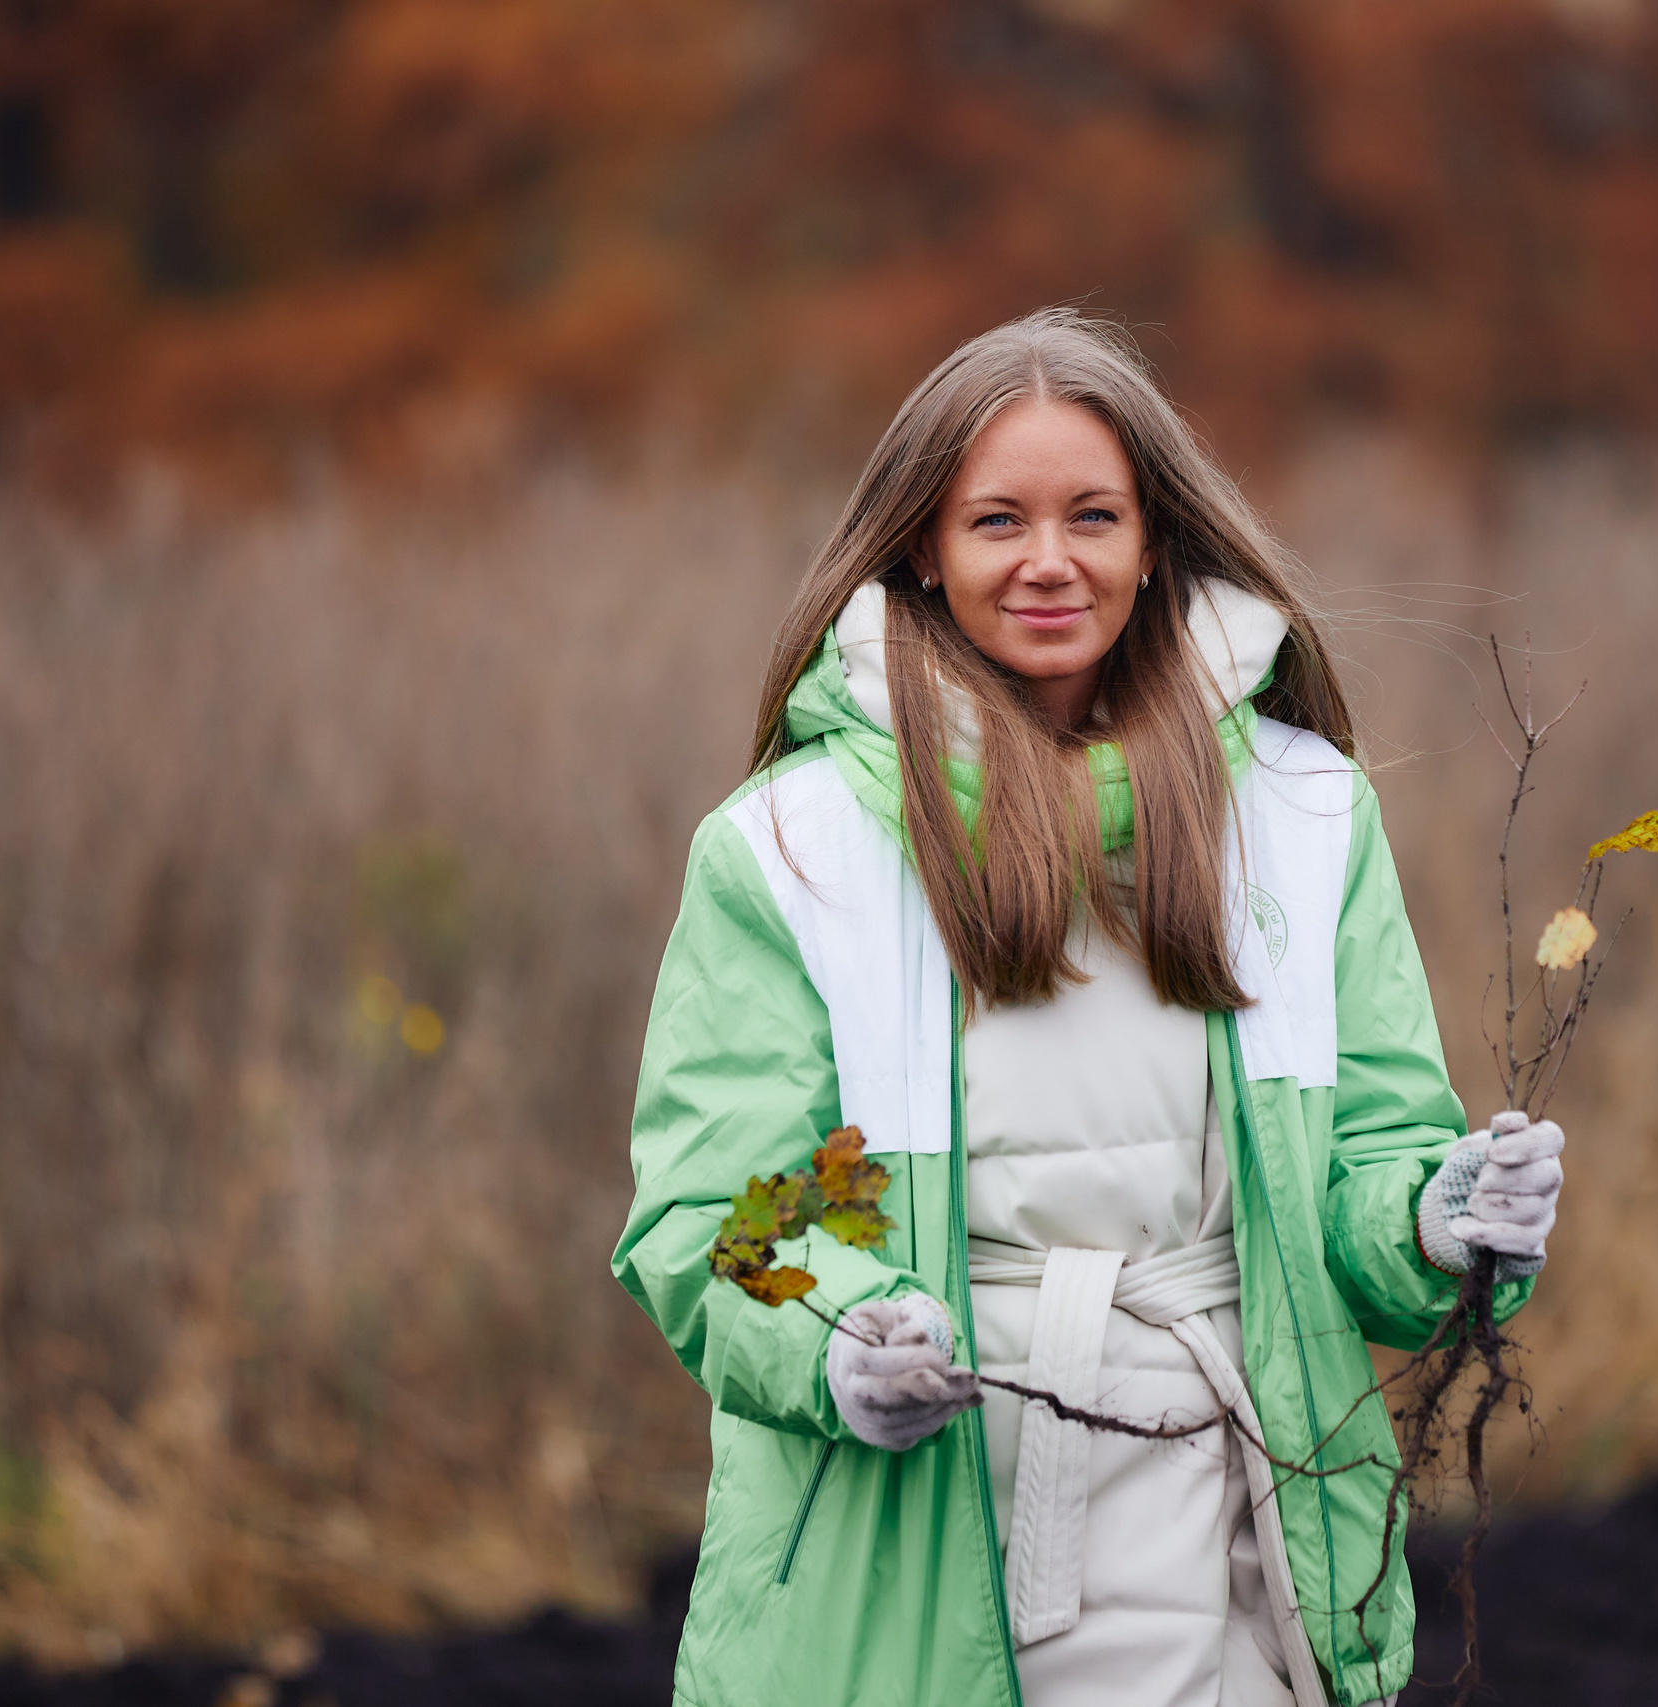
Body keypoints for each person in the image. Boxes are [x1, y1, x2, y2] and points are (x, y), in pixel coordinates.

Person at [614, 310, 1566, 1707]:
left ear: (1155, 539)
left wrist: (1441, 1217)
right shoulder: (790, 848)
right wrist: (842, 1337)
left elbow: (1364, 1186)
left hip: (1237, 1529)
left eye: (1093, 516)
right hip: (918, 1547)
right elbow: (721, 1225)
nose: (1049, 560)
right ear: (922, 550)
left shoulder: (1301, 813)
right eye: (996, 519)